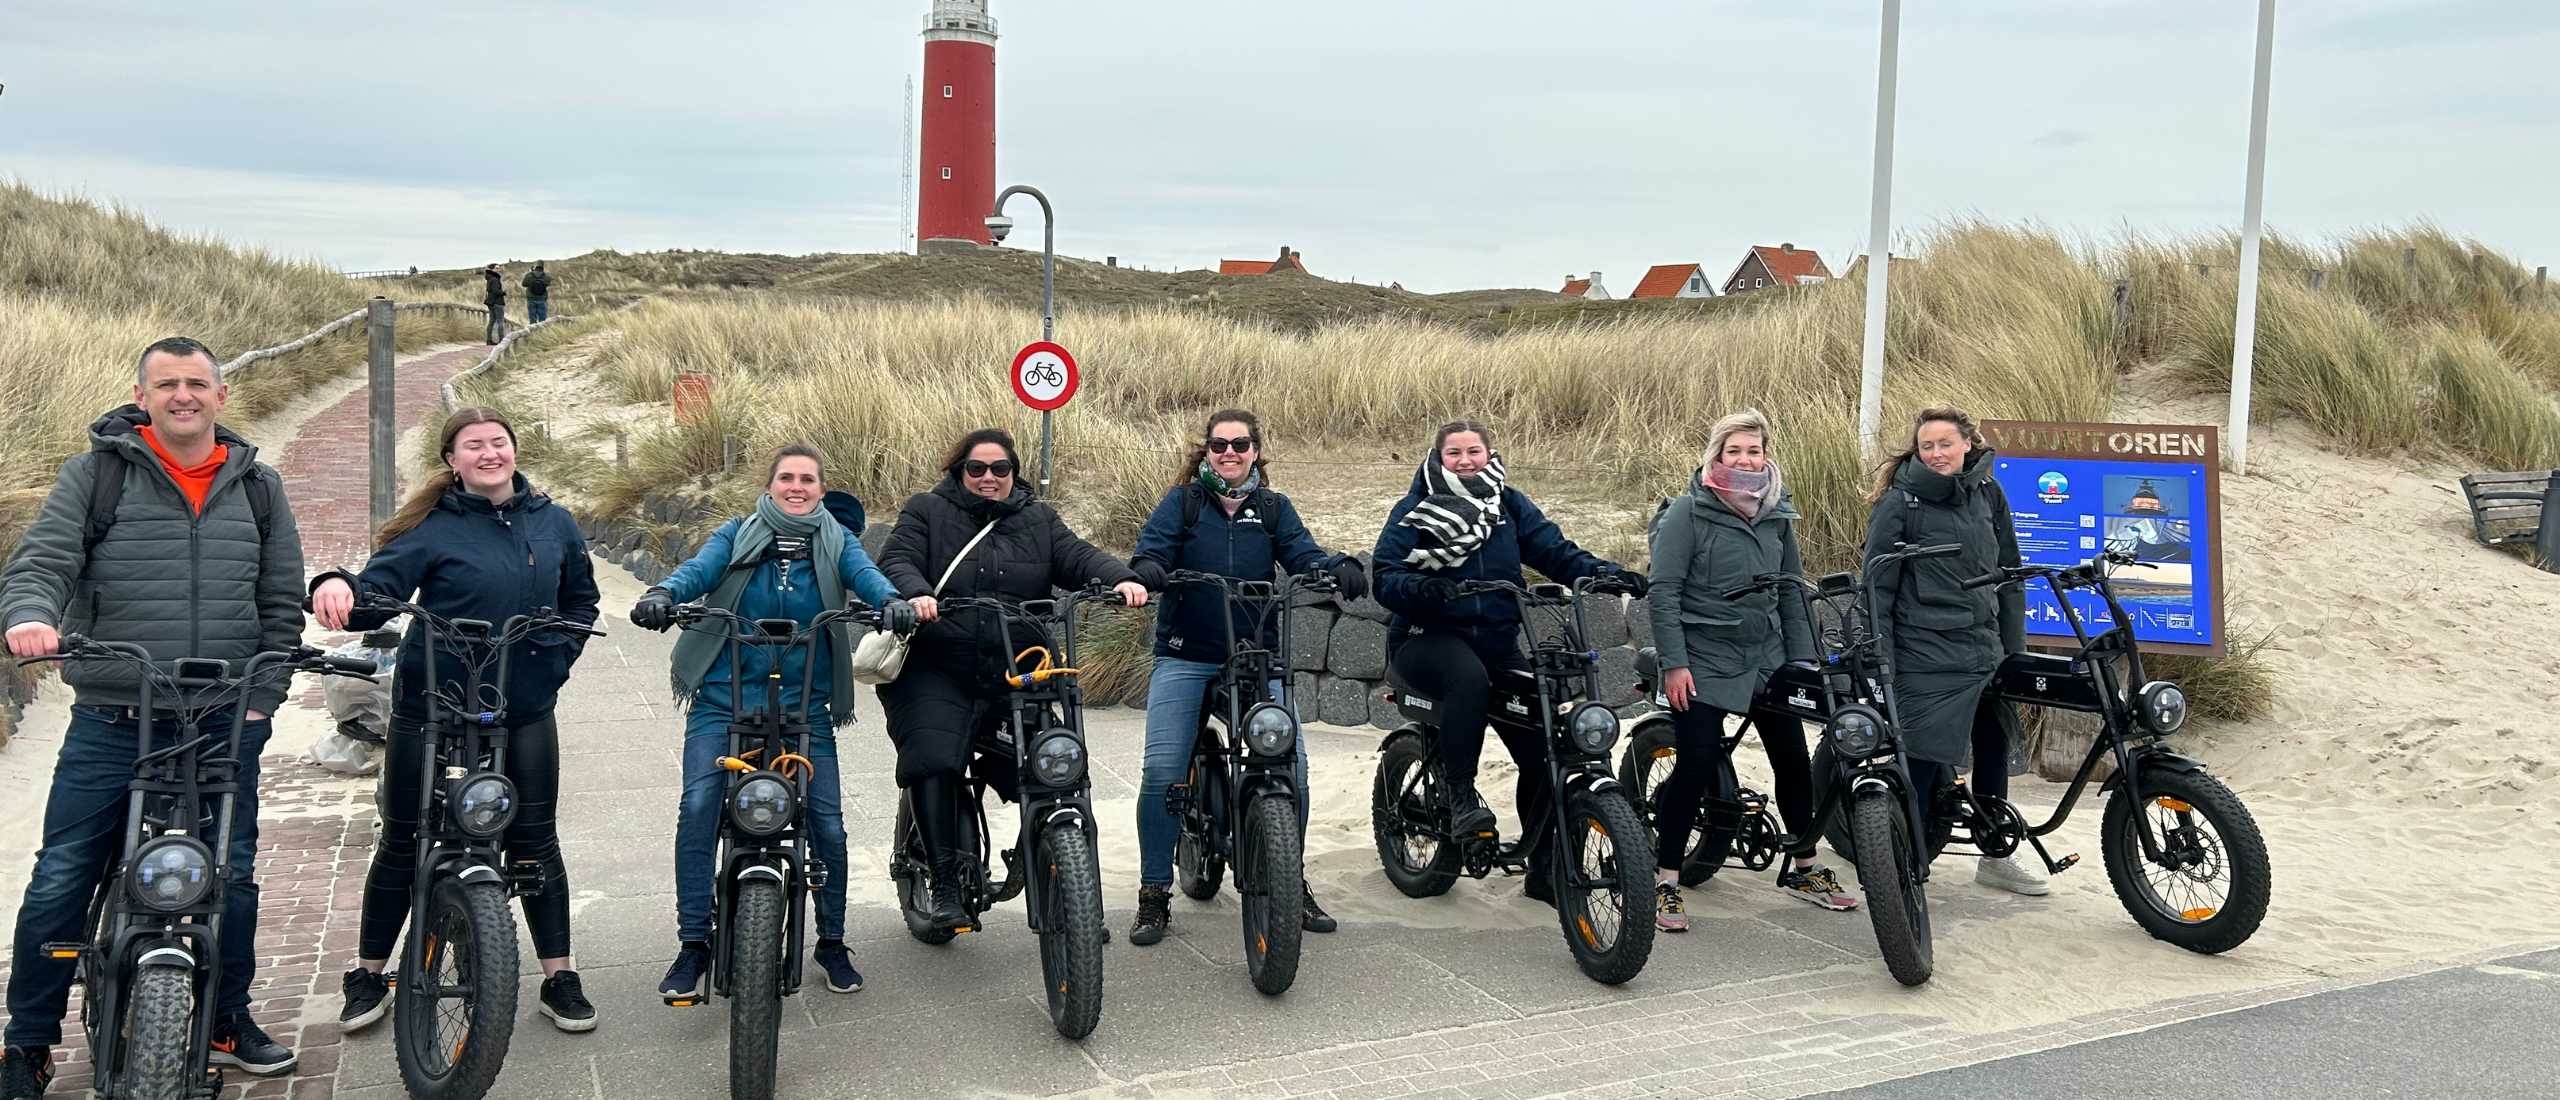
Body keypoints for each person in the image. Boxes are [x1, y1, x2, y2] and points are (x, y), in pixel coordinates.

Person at [0, 337, 309, 1094]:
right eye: (167, 384)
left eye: (197, 383)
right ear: (142, 396)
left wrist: (263, 700)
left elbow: (279, 602)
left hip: (221, 718)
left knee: (230, 877)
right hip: (114, 714)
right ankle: (28, 1043)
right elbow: (42, 563)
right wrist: (30, 617)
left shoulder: (258, 486)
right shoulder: (98, 474)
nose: (183, 396)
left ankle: (228, 1016)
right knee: (63, 876)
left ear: (219, 397)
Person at [309, 407, 606, 1033]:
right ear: (453, 460)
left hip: (524, 707)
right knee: (402, 838)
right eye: (475, 446)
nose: (489, 454)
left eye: (499, 443)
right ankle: (368, 973)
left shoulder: (554, 523)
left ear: (515, 451)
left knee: (534, 840)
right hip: (431, 708)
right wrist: (337, 586)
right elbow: (374, 594)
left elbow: (581, 600)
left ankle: (560, 977)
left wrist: (554, 661)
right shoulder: (430, 528)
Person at [626, 444, 913, 1001]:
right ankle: (693, 944)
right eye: (787, 478)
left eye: (808, 479)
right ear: (770, 485)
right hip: (723, 698)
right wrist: (663, 593)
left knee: (826, 824)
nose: (797, 487)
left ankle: (831, 941)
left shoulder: (838, 541)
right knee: (699, 808)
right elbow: (697, 573)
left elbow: (869, 577)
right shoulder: (737, 533)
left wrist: (892, 602)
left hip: (805, 705)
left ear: (822, 490)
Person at [875, 428, 1145, 931]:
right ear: (959, 472)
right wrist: (913, 593)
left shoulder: (1037, 518)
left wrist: (1120, 577)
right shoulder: (926, 511)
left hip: (1016, 671)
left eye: (1000, 469)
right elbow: (896, 559)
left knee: (1058, 766)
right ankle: (945, 883)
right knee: (933, 760)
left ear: (1014, 474)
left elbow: (1078, 556)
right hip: (938, 666)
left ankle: (1074, 895)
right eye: (977, 469)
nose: (989, 478)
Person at [1371, 419, 1643, 905]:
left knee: (1544, 740)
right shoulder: (1416, 509)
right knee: (1469, 681)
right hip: (1426, 638)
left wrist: (1606, 573)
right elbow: (1385, 575)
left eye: (1473, 451)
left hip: (1497, 641)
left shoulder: (1508, 504)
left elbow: (1554, 552)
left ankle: (1543, 869)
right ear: (1438, 459)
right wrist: (1423, 588)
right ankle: (1459, 798)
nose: (1465, 461)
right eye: (1454, 453)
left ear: (1489, 454)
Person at [1123, 409, 1369, 945]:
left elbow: (1302, 555)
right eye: (1219, 445)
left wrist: (1334, 566)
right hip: (1187, 654)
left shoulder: (1274, 509)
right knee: (1164, 770)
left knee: (1291, 766)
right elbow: (1153, 551)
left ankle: (1287, 879)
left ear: (1256, 450)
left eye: (1240, 444)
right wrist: (1147, 572)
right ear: (1205, 451)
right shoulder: (1183, 503)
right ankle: (1154, 891)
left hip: (1256, 656)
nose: (1229, 453)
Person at [1645, 411, 1858, 931]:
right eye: (1733, 451)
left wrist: (1801, 660)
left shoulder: (1778, 513)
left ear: (1766, 455)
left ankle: (1805, 867)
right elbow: (1664, 591)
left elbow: (1790, 588)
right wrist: (1675, 664)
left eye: (1753, 451)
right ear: (1716, 456)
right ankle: (1666, 880)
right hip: (1703, 657)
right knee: (1695, 762)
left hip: (1767, 656)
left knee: (1792, 758)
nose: (1744, 460)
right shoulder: (1686, 514)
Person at [1861, 405, 2042, 896]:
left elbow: (2009, 576)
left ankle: (1996, 856)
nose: (1937, 453)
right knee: (1921, 758)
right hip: (1925, 653)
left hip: (1984, 648)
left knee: (1993, 747)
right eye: (1928, 446)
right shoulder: (1901, 503)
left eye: (1946, 443)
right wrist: (1884, 661)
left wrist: (2015, 652)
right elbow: (1877, 589)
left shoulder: (1988, 492)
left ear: (1968, 443)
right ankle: (1906, 868)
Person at [481, 263, 507, 343]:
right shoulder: (495, 279)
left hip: (491, 302)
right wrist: (503, 292)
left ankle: (489, 340)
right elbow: (496, 291)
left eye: (498, 268)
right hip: (497, 302)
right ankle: (501, 340)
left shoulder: (489, 278)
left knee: (492, 321)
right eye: (496, 268)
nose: (498, 270)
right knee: (500, 321)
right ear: (492, 269)